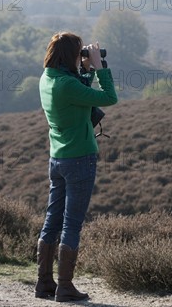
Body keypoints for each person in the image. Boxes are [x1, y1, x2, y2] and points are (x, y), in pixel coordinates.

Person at [35, 32, 118, 302]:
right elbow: (109, 97)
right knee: (72, 224)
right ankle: (66, 286)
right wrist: (100, 67)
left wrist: (86, 70)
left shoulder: (48, 79)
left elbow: (76, 91)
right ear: (70, 55)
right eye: (79, 52)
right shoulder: (66, 86)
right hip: (80, 158)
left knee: (52, 220)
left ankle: (44, 283)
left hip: (57, 159)